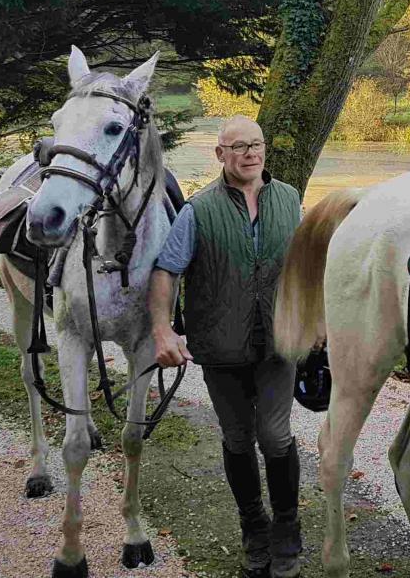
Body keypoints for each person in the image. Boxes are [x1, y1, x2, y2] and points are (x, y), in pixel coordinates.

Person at [149, 115, 303, 578]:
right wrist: (162, 330)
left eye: (255, 144)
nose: (249, 153)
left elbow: (307, 265)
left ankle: (286, 530)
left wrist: (318, 320)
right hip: (220, 347)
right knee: (238, 439)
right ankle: (253, 529)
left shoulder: (291, 200)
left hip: (279, 343)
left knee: (275, 437)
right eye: (238, 147)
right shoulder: (198, 210)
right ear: (220, 155)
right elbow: (166, 270)